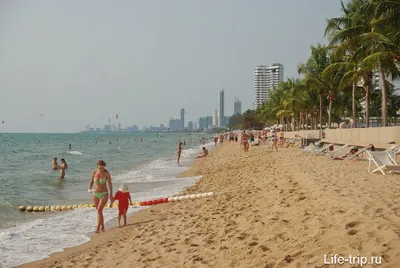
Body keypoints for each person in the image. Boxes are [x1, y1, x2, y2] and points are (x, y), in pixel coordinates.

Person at [88, 160, 113, 233]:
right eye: (99, 168)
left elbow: (110, 184)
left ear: (104, 167)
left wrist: (111, 195)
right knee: (99, 211)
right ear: (97, 167)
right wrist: (89, 188)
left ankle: (98, 227)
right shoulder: (94, 172)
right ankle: (102, 226)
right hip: (95, 193)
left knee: (99, 210)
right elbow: (91, 181)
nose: (101, 170)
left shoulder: (106, 174)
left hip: (104, 193)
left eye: (102, 168)